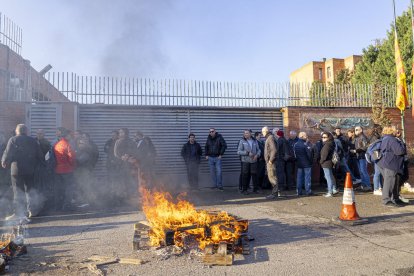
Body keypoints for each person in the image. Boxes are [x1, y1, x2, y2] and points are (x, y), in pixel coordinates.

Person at [1, 124, 44, 220]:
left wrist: (4, 162)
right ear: (26, 131)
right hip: (30, 170)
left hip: (17, 170)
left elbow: (8, 153)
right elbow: (40, 155)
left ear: (17, 131)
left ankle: (18, 213)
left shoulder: (13, 139)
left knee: (17, 192)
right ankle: (32, 211)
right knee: (30, 190)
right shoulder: (33, 141)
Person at [377, 126, 406, 207]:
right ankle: (386, 200)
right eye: (395, 129)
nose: (397, 131)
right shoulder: (391, 139)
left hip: (390, 163)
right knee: (389, 181)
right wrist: (401, 141)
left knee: (395, 181)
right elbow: (400, 151)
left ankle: (395, 198)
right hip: (391, 163)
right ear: (391, 131)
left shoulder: (387, 138)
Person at [53, 128, 76, 211]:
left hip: (57, 170)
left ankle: (58, 206)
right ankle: (67, 206)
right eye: (69, 136)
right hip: (67, 169)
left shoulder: (57, 144)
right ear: (66, 136)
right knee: (69, 188)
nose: (71, 137)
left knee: (59, 188)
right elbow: (72, 157)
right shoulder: (67, 144)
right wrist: (73, 165)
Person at [237, 130, 261, 195]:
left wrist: (257, 155)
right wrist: (247, 153)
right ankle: (244, 190)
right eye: (244, 133)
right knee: (245, 175)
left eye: (247, 133)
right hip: (245, 161)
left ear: (250, 134)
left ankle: (255, 189)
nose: (245, 134)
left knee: (254, 175)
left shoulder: (255, 141)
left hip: (254, 161)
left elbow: (258, 150)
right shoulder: (242, 141)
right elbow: (238, 151)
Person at [262, 126, 280, 199]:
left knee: (272, 177)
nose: (262, 133)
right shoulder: (270, 138)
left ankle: (274, 194)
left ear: (265, 132)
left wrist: (270, 161)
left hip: (271, 162)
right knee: (272, 177)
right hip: (271, 162)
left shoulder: (270, 138)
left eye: (262, 132)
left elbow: (274, 150)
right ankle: (275, 192)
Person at [294, 132, 313, 196]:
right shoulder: (305, 144)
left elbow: (295, 155)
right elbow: (309, 155)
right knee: (307, 178)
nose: (307, 137)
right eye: (305, 136)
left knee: (299, 178)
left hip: (299, 164)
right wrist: (311, 162)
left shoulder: (295, 144)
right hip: (306, 164)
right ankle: (308, 191)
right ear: (302, 136)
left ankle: (299, 192)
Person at [320, 132, 338, 197]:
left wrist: (321, 162)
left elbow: (324, 156)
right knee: (330, 176)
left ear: (328, 137)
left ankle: (330, 192)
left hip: (326, 163)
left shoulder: (327, 145)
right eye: (322, 137)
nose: (323, 138)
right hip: (330, 162)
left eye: (324, 137)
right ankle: (334, 189)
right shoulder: (331, 143)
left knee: (328, 177)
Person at [104, 130, 121, 201]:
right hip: (109, 164)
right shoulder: (109, 141)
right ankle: (110, 193)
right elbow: (105, 149)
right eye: (112, 135)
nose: (113, 136)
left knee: (117, 179)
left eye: (114, 135)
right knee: (110, 179)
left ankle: (118, 194)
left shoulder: (120, 142)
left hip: (118, 164)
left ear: (117, 135)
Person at [354, 126, 371, 191]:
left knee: (364, 171)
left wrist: (356, 150)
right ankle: (363, 185)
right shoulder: (358, 138)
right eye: (355, 130)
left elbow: (366, 147)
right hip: (358, 156)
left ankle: (368, 185)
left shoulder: (363, 137)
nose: (355, 131)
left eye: (357, 130)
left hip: (362, 156)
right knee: (361, 172)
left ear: (361, 130)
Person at [369, 124, 383, 195]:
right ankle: (376, 188)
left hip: (375, 156)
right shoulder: (375, 137)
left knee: (379, 172)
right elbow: (377, 147)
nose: (381, 130)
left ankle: (380, 187)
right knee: (377, 173)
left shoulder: (373, 136)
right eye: (380, 129)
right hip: (377, 156)